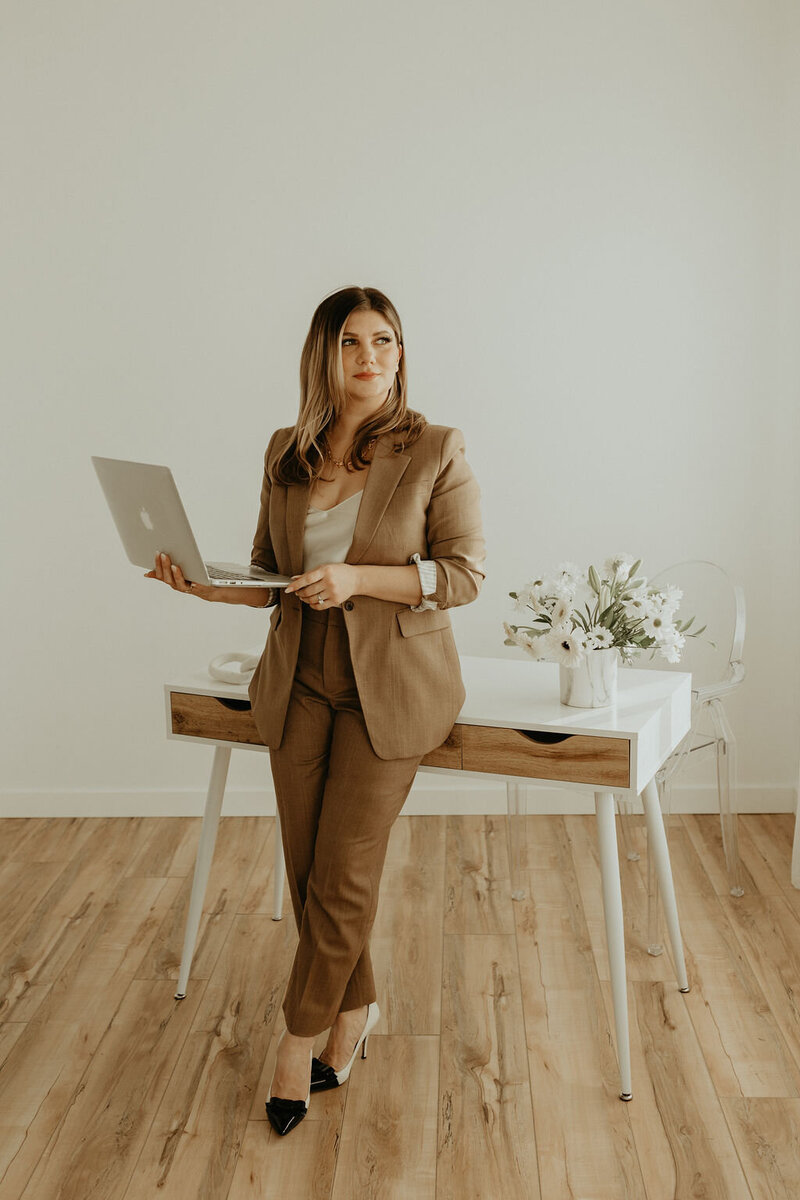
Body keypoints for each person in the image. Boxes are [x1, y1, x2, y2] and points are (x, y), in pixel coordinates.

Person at [146, 284, 485, 1136]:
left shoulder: (436, 447)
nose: (369, 358)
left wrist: (360, 580)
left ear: (402, 354)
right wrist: (199, 583)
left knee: (343, 876)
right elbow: (270, 578)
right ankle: (354, 1007)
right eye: (350, 344)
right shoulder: (286, 452)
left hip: (393, 688)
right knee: (308, 871)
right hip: (298, 680)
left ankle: (295, 1045)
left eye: (385, 341)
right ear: (322, 357)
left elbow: (465, 575)